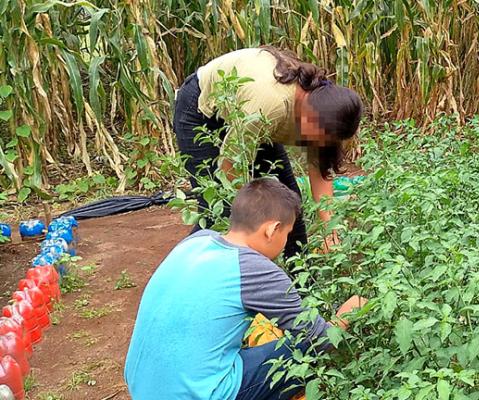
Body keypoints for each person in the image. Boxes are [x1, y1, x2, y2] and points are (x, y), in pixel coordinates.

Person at [124, 178, 366, 400]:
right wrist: (348, 312)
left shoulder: (195, 242)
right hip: (196, 394)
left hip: (142, 386)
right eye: (288, 234)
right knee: (301, 350)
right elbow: (319, 338)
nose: (285, 244)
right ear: (272, 230)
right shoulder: (255, 268)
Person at [173, 46, 363, 258]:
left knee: (288, 204)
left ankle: (299, 284)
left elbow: (320, 168)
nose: (316, 144)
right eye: (318, 137)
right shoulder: (272, 106)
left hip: (250, 115)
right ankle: (183, 267)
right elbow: (230, 168)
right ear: (311, 115)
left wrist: (331, 231)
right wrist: (250, 213)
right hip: (201, 108)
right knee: (221, 209)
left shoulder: (325, 109)